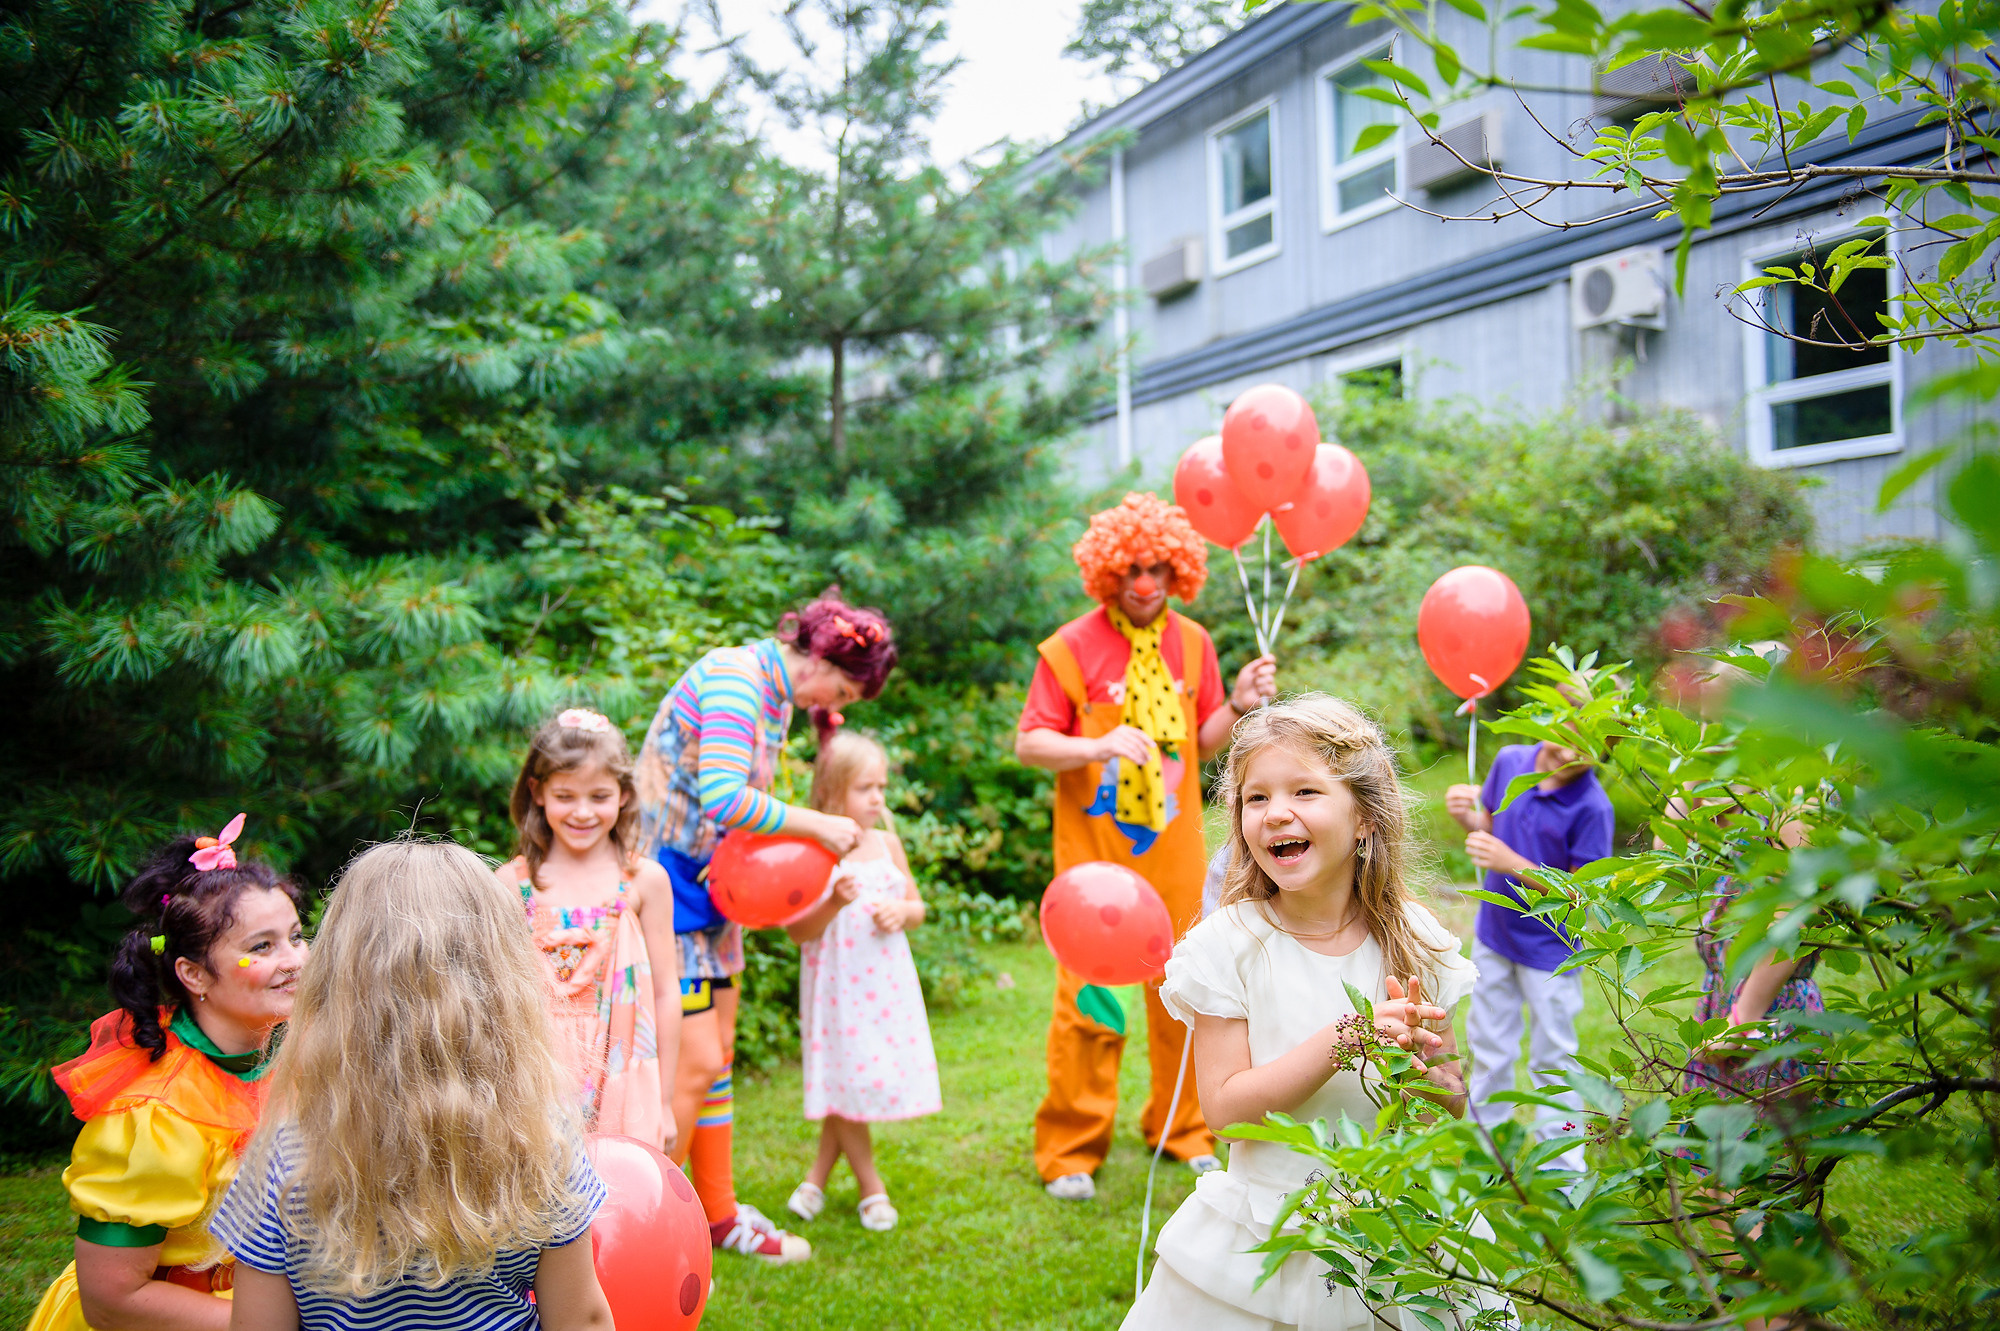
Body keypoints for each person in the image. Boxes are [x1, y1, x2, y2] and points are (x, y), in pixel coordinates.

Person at [1127, 694, 1483, 1330]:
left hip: (1400, 1227)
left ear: (1366, 818)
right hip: (1273, 1228)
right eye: (1255, 798)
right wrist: (1346, 1038)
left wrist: (1428, 1076)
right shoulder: (1227, 947)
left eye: (1305, 792)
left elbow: (1453, 1096)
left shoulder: (1414, 938)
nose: (1275, 813)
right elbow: (1229, 1115)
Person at [212, 839, 614, 1331]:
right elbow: (581, 1318)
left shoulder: (285, 1154)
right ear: (501, 981)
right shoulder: (538, 1135)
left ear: (337, 980)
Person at [1016, 491, 1276, 1201]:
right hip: (1095, 862)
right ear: (1109, 571)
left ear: (1177, 572)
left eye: (1159, 568)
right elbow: (1029, 741)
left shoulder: (1193, 641)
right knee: (1090, 999)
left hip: (1176, 850)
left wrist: (1241, 701)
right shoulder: (1068, 647)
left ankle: (1184, 1128)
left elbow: (1202, 738)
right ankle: (1071, 1147)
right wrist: (1095, 742)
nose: (1145, 582)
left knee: (1187, 988)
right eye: (1131, 567)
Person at [634, 590, 899, 1263]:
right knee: (689, 1066)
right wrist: (818, 824)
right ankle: (648, 1228)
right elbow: (724, 795)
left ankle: (717, 1217)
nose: (831, 700)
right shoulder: (735, 680)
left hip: (715, 896)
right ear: (818, 653)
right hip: (672, 896)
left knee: (716, 1056)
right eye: (841, 686)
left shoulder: (777, 693)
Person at [29, 816, 309, 1331]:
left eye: (295, 935)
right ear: (194, 974)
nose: (294, 960)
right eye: (261, 947)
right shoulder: (154, 1114)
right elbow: (113, 1301)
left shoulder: (294, 1061)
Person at [497, 707, 680, 1152]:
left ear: (623, 796)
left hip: (620, 1075)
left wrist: (666, 1098)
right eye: (566, 796)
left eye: (599, 797)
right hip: (534, 1075)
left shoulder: (644, 881)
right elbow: (493, 996)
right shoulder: (510, 884)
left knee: (618, 1197)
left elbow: (665, 991)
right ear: (537, 792)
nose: (582, 812)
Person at [781, 729, 940, 1233]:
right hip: (838, 991)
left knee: (848, 1083)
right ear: (831, 792)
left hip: (887, 989)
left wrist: (902, 911)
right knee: (846, 1079)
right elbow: (796, 932)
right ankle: (872, 1187)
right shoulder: (815, 850)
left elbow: (917, 907)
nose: (878, 798)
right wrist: (833, 902)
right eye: (865, 788)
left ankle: (816, 1178)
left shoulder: (888, 844)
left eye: (882, 788)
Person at [1444, 722, 1614, 1169]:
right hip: (1495, 934)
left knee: (1554, 1058)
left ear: (1607, 752)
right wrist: (1468, 817)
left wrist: (1511, 863)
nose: (1572, 752)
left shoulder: (1593, 807)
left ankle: (1562, 1169)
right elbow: (1491, 824)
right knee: (1489, 1042)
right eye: (1567, 734)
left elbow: (1582, 893)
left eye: (1591, 746)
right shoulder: (1511, 762)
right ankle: (1487, 1153)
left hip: (1552, 953)